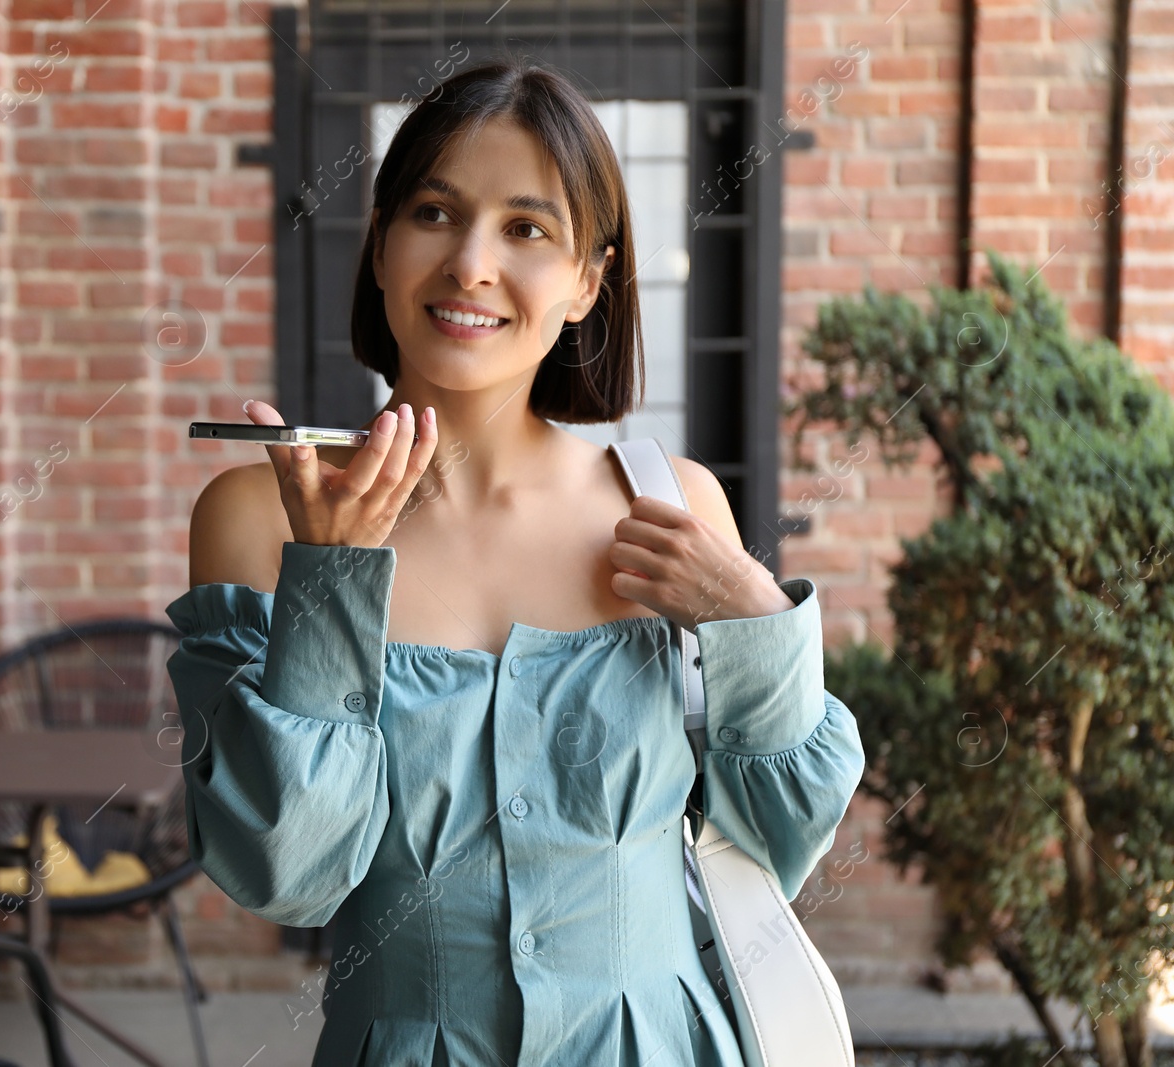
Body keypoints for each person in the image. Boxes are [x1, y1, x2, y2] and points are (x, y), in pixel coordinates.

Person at [163, 55, 866, 1067]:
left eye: (527, 228)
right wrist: (330, 584)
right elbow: (286, 873)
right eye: (434, 213)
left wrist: (757, 619)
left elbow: (783, 837)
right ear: (379, 247)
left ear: (588, 280)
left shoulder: (670, 505)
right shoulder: (258, 516)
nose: (471, 265)